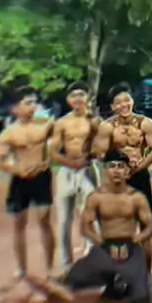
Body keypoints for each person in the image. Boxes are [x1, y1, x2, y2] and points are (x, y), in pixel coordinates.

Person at [48, 151, 152, 303]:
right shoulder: (96, 197)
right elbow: (85, 227)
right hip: (105, 245)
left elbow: (149, 226)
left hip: (130, 247)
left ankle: (123, 281)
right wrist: (101, 243)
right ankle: (113, 279)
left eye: (120, 166)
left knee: (141, 298)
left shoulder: (137, 197)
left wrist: (134, 241)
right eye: (112, 166)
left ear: (127, 171)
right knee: (72, 281)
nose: (116, 171)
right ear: (105, 170)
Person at [92, 83, 152, 273]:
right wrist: (118, 166)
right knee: (115, 227)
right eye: (119, 102)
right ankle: (117, 274)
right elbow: (100, 153)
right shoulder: (107, 127)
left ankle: (146, 275)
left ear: (132, 101)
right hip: (117, 180)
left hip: (140, 176)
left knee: (146, 227)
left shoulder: (145, 123)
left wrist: (141, 165)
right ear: (113, 106)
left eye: (126, 100)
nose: (124, 105)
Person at [0, 86, 55, 281]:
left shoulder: (46, 125)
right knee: (19, 223)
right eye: (28, 103)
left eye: (34, 102)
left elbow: (63, 140)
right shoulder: (9, 133)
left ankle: (50, 268)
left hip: (42, 176)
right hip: (21, 180)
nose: (33, 106)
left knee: (44, 220)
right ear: (15, 108)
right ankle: (21, 268)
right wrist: (16, 169)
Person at [51, 82, 101, 273]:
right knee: (63, 220)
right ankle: (66, 264)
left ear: (87, 97)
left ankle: (94, 260)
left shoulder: (95, 121)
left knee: (91, 216)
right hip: (66, 170)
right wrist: (69, 163)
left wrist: (88, 156)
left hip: (88, 168)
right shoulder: (62, 123)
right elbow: (53, 151)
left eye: (81, 94)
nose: (78, 99)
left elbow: (101, 147)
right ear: (68, 100)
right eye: (73, 95)